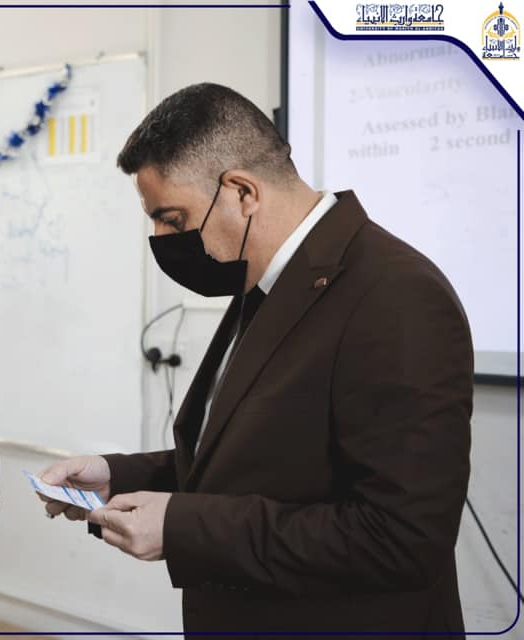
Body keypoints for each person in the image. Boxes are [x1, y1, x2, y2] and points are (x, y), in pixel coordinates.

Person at [39, 84, 472, 636]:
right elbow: (254, 459)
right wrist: (117, 476)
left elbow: (401, 538)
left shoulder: (396, 295)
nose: (162, 239)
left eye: (173, 219)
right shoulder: (266, 283)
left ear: (242, 192)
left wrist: (183, 528)